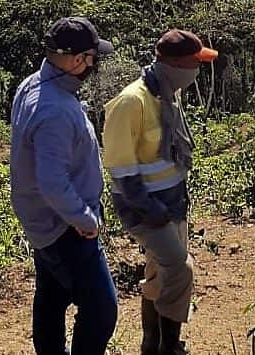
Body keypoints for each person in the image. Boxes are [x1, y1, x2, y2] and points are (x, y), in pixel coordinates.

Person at [102, 29, 219, 355]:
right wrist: (152, 212)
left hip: (172, 202)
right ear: (177, 66)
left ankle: (150, 344)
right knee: (180, 270)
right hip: (146, 208)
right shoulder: (131, 102)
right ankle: (168, 348)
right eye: (195, 64)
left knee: (159, 274)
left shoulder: (166, 95)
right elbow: (121, 170)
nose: (198, 71)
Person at [10, 16, 118, 355]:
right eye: (91, 57)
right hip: (65, 227)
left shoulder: (32, 85)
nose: (93, 64)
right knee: (101, 309)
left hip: (43, 223)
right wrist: (85, 219)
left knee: (51, 299)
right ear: (76, 60)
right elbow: (52, 181)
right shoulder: (55, 108)